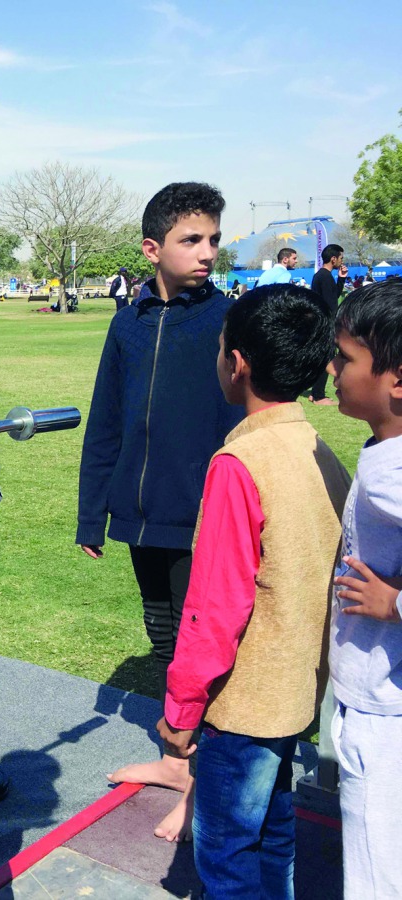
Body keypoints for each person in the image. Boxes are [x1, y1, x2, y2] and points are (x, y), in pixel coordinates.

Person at [155, 284, 349, 897]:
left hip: (246, 700)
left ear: (235, 362)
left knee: (228, 851)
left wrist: (182, 708)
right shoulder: (319, 449)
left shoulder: (241, 463)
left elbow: (214, 606)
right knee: (274, 829)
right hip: (299, 688)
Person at [77, 182, 244, 841]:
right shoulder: (127, 322)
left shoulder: (229, 319)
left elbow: (242, 426)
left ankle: (206, 783)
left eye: (212, 240)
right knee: (166, 641)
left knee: (203, 653)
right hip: (140, 517)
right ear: (153, 249)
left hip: (201, 518)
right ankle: (179, 763)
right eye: (191, 240)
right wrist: (94, 515)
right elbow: (106, 421)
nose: (206, 252)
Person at [325, 280, 402, 898]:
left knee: (377, 873)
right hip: (375, 697)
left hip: (384, 713)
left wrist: (395, 602)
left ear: (396, 379)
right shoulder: (385, 450)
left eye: (346, 359)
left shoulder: (393, 474)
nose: (332, 369)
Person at [308, 243, 348, 405]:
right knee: (326, 358)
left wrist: (341, 278)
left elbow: (334, 295)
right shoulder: (324, 277)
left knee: (324, 357)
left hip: (321, 322)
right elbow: (331, 304)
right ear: (333, 259)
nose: (341, 260)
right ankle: (318, 395)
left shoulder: (323, 276)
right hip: (325, 324)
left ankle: (315, 393)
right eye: (341, 258)